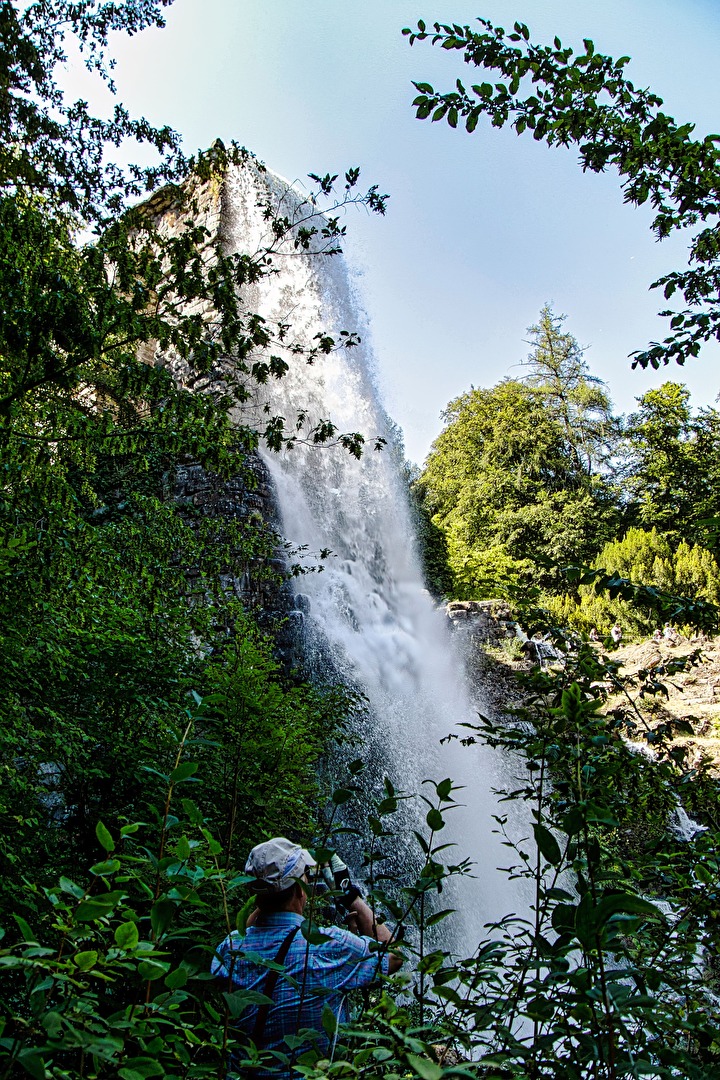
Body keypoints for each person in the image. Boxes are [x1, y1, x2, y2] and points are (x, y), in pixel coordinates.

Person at [212, 837, 402, 1076]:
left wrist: (269, 893)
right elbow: (393, 956)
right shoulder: (329, 945)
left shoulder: (230, 949)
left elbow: (250, 928)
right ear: (299, 891)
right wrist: (349, 894)